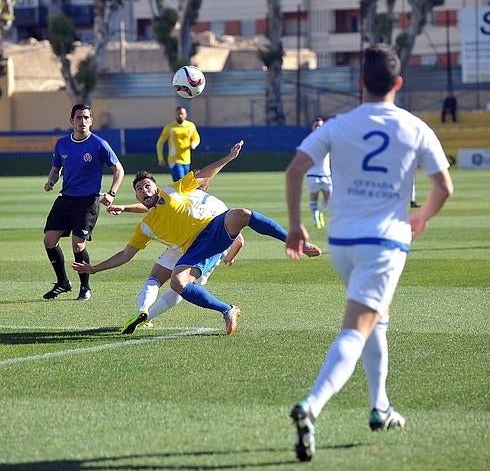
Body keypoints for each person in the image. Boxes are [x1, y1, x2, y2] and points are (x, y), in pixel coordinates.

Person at [285, 44, 453, 462]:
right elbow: (444, 186)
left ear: (360, 83)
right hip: (383, 244)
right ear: (398, 83)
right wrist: (423, 217)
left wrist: (295, 224)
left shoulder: (339, 124)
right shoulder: (414, 127)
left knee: (377, 320)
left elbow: (295, 169)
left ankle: (380, 408)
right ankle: (312, 406)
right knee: (356, 329)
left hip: (341, 245)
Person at [73, 141, 321, 336]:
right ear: (138, 197)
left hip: (214, 228)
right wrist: (95, 268)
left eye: (147, 185)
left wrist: (229, 157)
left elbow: (204, 174)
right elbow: (126, 255)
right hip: (195, 249)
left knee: (242, 214)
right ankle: (228, 309)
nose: (143, 190)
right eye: (139, 189)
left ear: (155, 187)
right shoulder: (146, 226)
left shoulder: (173, 190)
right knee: (177, 284)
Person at [106, 189, 245, 334]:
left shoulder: (184, 194)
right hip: (196, 245)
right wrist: (230, 257)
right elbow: (239, 240)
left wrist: (125, 208)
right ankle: (145, 317)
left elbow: (154, 205)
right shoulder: (214, 203)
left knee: (160, 279)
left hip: (191, 246)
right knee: (181, 286)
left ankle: (143, 312)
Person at [43, 104, 125, 301]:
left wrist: (112, 193)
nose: (83, 121)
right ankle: (63, 282)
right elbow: (56, 168)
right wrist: (51, 181)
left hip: (88, 201)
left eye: (86, 117)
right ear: (71, 121)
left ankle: (85, 287)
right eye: (79, 118)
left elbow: (119, 169)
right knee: (49, 241)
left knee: (78, 246)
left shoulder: (99, 144)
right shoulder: (62, 143)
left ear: (91, 120)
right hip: (66, 199)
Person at [156, 106, 200, 181]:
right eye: (178, 114)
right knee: (180, 181)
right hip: (174, 160)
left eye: (182, 113)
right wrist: (160, 158)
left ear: (186, 115)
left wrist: (194, 144)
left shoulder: (191, 126)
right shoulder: (170, 127)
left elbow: (197, 138)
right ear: (175, 115)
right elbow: (160, 143)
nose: (180, 115)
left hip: (187, 160)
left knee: (185, 184)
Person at [306, 116, 333, 229]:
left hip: (326, 174)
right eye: (316, 126)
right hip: (313, 174)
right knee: (314, 199)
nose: (318, 127)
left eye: (320, 126)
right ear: (312, 127)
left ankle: (319, 212)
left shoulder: (328, 139)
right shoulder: (309, 140)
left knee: (329, 197)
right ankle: (315, 217)